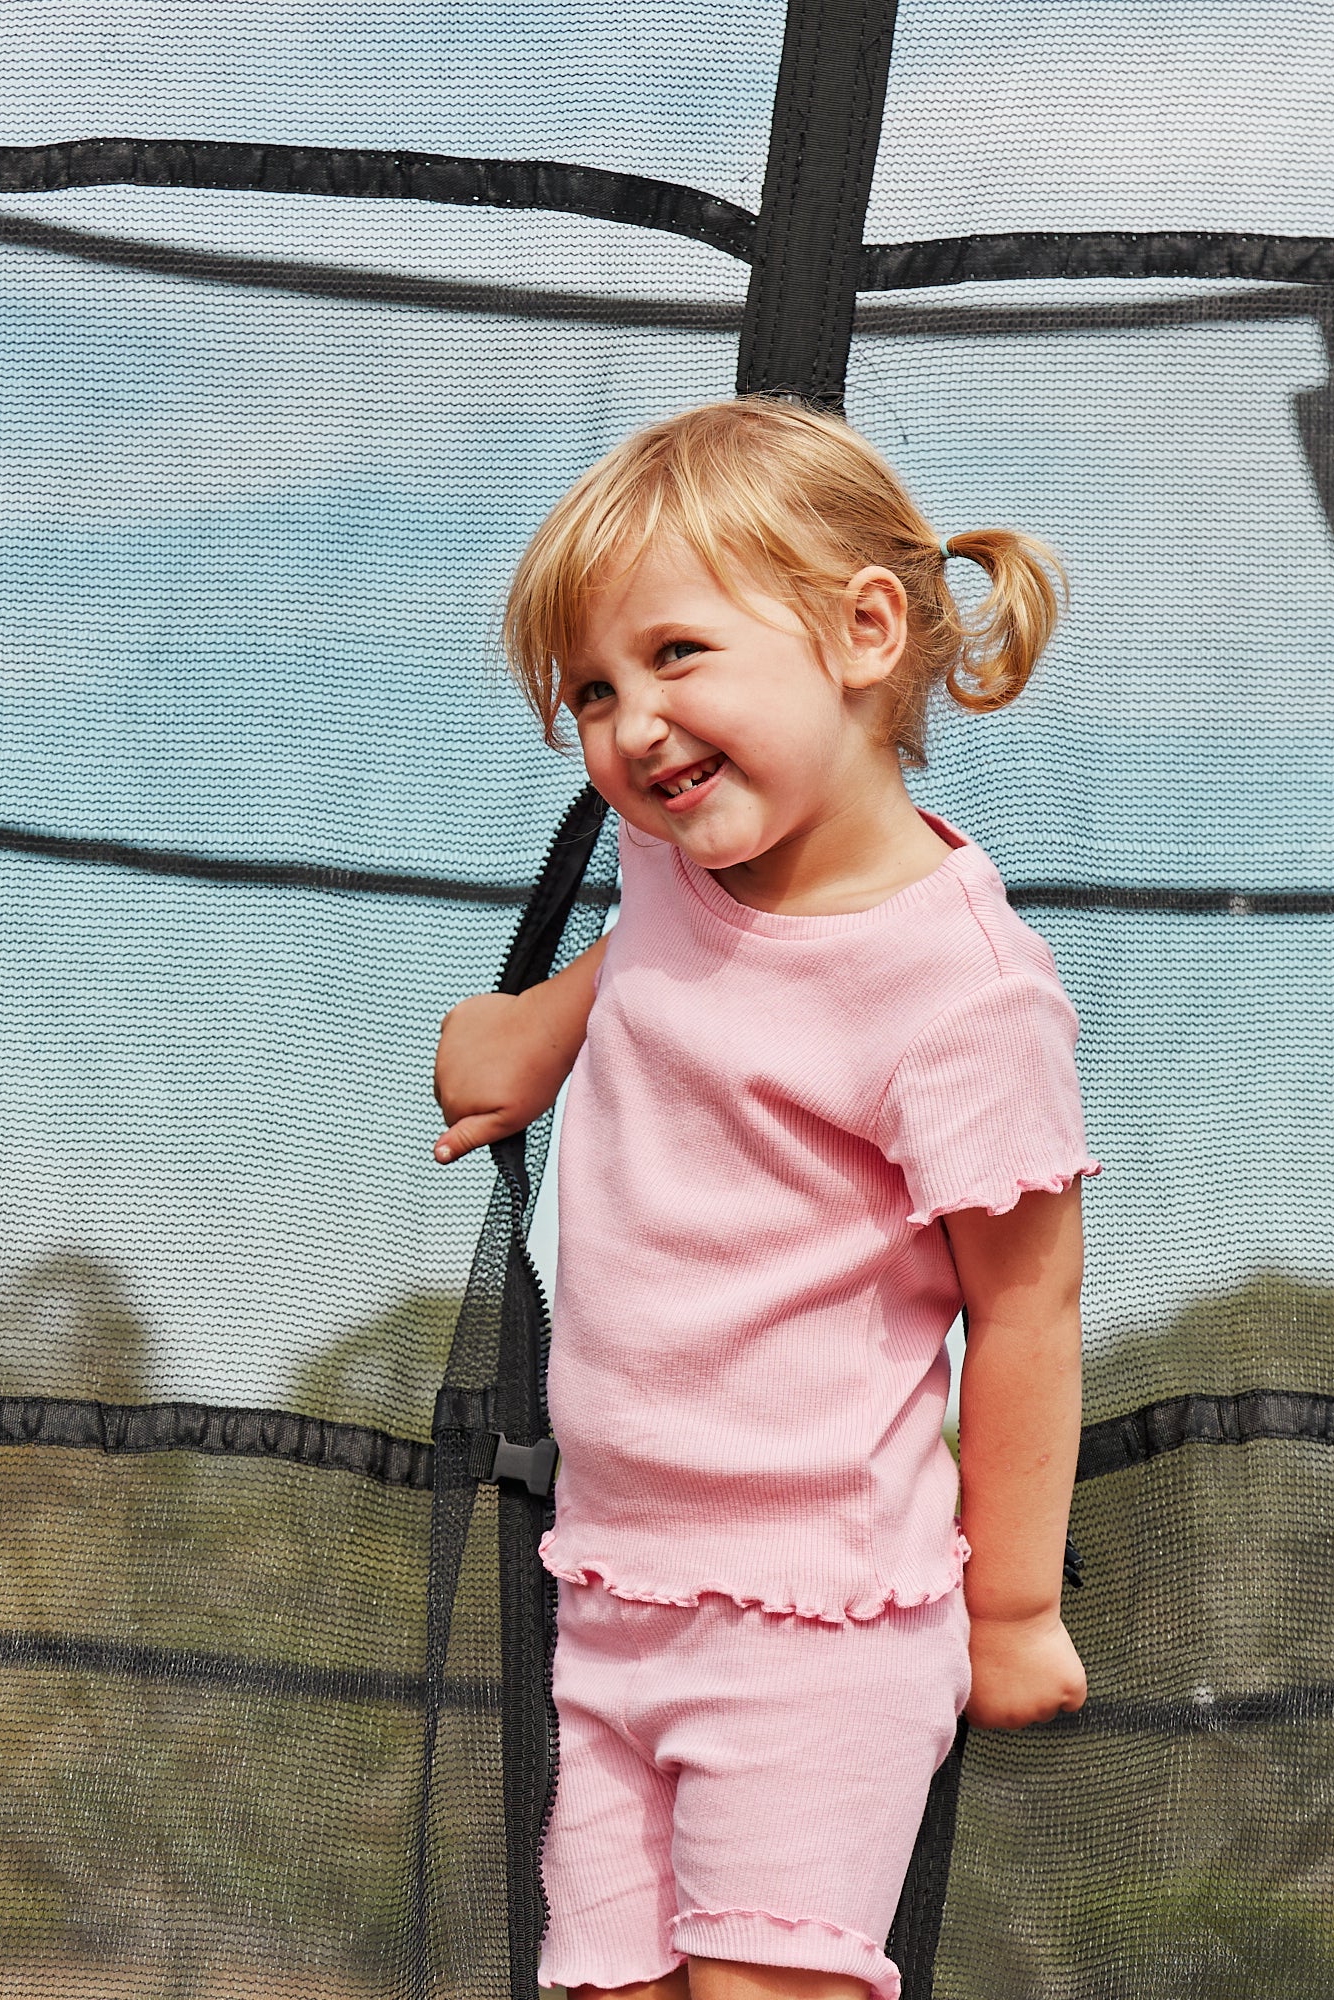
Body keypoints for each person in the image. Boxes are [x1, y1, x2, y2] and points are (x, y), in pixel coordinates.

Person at [431, 396, 1094, 2000]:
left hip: (819, 1623)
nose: (631, 726)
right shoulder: (672, 867)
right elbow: (662, 970)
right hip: (609, 1585)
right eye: (592, 689)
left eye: (673, 657)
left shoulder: (961, 994)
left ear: (866, 632)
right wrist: (531, 1037)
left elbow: (1025, 1307)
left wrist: (1011, 1608)